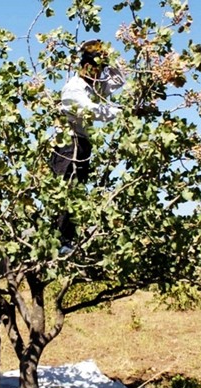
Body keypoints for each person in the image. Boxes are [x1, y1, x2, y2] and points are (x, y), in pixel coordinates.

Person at [50, 39, 125, 253]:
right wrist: (121, 112)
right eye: (91, 66)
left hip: (83, 144)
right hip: (67, 144)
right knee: (66, 191)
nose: (94, 71)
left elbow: (119, 79)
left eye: (98, 67)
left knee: (77, 192)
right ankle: (60, 242)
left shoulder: (96, 85)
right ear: (82, 66)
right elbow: (91, 111)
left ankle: (67, 240)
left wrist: (109, 56)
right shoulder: (73, 89)